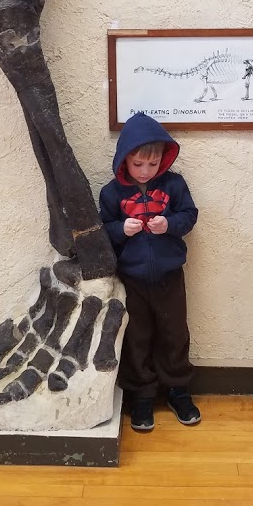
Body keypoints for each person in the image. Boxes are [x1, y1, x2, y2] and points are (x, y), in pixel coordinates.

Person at [100, 112, 201, 432]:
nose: (145, 171)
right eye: (138, 164)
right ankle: (141, 394)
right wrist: (121, 230)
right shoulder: (111, 193)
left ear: (163, 160)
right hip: (132, 278)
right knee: (136, 336)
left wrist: (169, 224)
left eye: (153, 164)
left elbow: (190, 215)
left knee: (175, 333)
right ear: (124, 160)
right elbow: (102, 230)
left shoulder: (174, 184)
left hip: (170, 276)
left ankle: (178, 389)